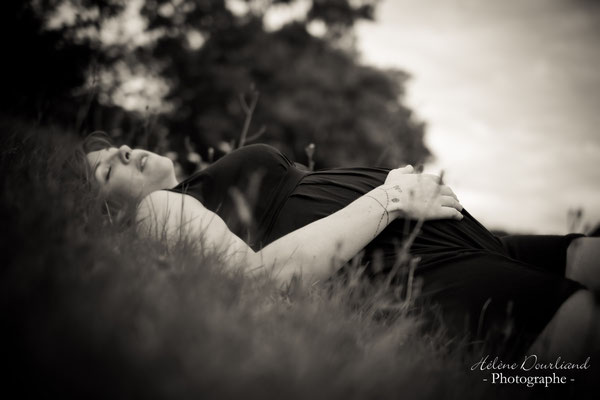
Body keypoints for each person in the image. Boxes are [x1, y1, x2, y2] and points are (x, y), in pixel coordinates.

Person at [83, 133, 599, 360]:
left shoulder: (196, 184)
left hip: (449, 232)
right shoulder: (157, 209)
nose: (123, 150)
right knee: (576, 318)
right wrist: (391, 197)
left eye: (115, 146)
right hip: (405, 262)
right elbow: (256, 277)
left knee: (585, 256)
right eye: (107, 168)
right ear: (107, 211)